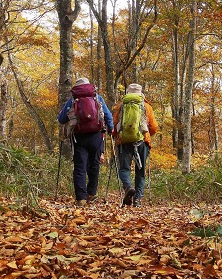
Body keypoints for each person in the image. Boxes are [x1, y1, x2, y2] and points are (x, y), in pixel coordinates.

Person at [58, 77, 113, 206]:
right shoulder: (97, 98)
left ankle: (81, 198)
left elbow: (61, 119)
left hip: (79, 137)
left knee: (79, 166)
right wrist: (111, 129)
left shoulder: (72, 99)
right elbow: (108, 115)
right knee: (94, 165)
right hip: (97, 136)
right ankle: (92, 193)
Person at [112, 83, 159, 207]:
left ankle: (128, 188)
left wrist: (116, 135)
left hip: (124, 141)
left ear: (127, 93)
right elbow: (154, 127)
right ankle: (137, 200)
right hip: (142, 142)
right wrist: (147, 135)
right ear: (140, 93)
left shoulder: (121, 106)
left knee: (124, 168)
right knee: (140, 171)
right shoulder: (146, 106)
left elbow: (115, 124)